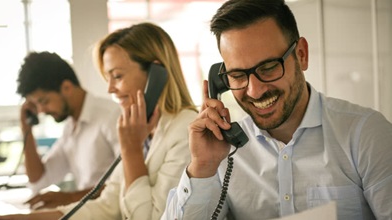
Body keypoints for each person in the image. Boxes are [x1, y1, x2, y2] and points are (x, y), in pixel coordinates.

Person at [162, 0, 392, 220]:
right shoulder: (223, 151)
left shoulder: (367, 134)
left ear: (301, 55)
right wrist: (202, 167)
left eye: (269, 67)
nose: (254, 90)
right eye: (238, 75)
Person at [0, 22, 198, 220]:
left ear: (157, 74)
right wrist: (17, 219)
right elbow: (107, 206)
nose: (110, 89)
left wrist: (131, 150)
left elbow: (149, 217)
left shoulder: (185, 131)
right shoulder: (142, 129)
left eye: (117, 76)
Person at [15, 51, 121, 209]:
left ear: (66, 87)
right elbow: (38, 180)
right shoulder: (70, 128)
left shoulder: (111, 116)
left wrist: (70, 198)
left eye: (44, 101)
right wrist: (26, 129)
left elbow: (127, 183)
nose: (41, 111)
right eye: (36, 105)